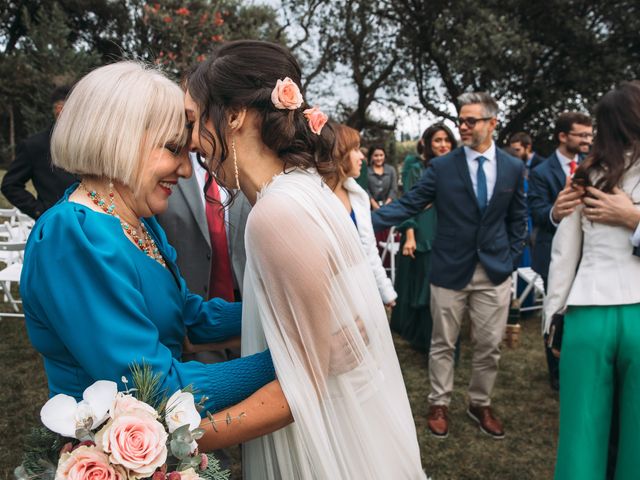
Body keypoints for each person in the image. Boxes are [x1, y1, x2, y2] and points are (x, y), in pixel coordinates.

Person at [19, 62, 294, 450]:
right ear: (120, 140)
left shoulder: (137, 221)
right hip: (114, 452)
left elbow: (189, 319)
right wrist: (299, 358)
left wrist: (292, 306)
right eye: (172, 149)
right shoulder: (73, 237)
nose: (185, 169)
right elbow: (153, 388)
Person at [185, 40, 426, 479]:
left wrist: (179, 437)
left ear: (235, 115)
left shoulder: (278, 213)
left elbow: (300, 388)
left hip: (325, 436)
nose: (192, 140)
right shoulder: (302, 189)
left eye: (196, 120)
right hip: (349, 409)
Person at [371, 92, 527, 440]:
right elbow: (410, 203)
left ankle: (479, 403)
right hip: (449, 269)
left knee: (489, 345)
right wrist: (360, 220)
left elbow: (519, 219)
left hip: (495, 272)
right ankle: (439, 402)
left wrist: (511, 258)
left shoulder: (514, 167)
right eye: (461, 120)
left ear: (492, 123)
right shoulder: (442, 167)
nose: (463, 126)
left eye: (471, 120)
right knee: (443, 342)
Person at [544, 80, 640, 480]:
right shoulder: (582, 178)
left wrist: (552, 317)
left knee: (581, 435)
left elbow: (564, 256)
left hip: (587, 313)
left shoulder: (587, 175)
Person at [527, 111, 593, 391]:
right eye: (581, 135)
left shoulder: (595, 167)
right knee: (554, 308)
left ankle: (577, 364)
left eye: (590, 135)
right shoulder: (541, 171)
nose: (587, 140)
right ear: (563, 136)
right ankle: (555, 371)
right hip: (550, 250)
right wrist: (557, 210)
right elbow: (538, 212)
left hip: (588, 255)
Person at [391, 122, 455, 351]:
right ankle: (423, 338)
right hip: (422, 231)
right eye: (438, 140)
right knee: (422, 285)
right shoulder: (415, 166)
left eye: (447, 140)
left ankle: (438, 337)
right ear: (427, 144)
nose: (443, 145)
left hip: (447, 231)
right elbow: (408, 200)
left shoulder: (454, 166)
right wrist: (409, 235)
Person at [320, 123, 397, 307]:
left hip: (361, 291)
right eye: (355, 149)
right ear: (339, 152)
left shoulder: (358, 196)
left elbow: (369, 250)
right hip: (329, 298)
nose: (362, 156)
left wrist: (385, 291)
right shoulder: (316, 199)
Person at [1, 86, 77, 219]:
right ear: (61, 111)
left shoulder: (88, 143)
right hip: (55, 227)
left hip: (91, 226)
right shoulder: (35, 145)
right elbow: (10, 185)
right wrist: (41, 212)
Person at [367, 146, 397, 210]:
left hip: (389, 207)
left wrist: (387, 203)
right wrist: (373, 203)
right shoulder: (366, 171)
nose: (379, 158)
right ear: (371, 156)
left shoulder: (391, 170)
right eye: (376, 155)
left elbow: (393, 189)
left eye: (381, 155)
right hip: (371, 208)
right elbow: (365, 189)